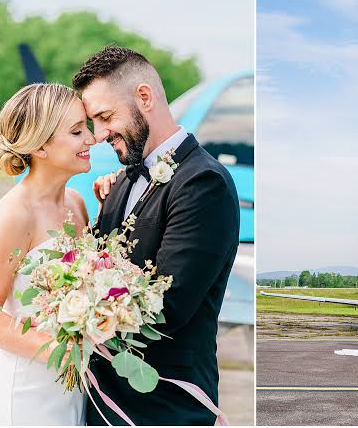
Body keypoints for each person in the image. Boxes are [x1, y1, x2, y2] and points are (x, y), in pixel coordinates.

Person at [73, 45, 240, 425]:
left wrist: (74, 317)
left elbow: (168, 305)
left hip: (163, 405)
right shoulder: (121, 180)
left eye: (105, 116)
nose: (98, 135)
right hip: (100, 400)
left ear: (144, 97)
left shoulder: (203, 183)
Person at [0, 83, 95, 425]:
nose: (91, 139)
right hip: (26, 389)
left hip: (71, 386)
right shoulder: (15, 213)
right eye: (77, 131)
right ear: (40, 145)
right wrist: (62, 351)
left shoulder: (77, 204)